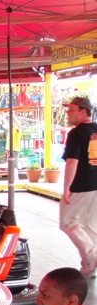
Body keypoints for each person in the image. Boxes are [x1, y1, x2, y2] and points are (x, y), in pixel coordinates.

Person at [60, 96, 97, 277]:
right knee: (89, 226)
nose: (68, 113)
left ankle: (90, 255)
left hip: (82, 184)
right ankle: (89, 265)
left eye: (72, 109)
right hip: (95, 184)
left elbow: (72, 162)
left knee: (68, 222)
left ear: (84, 111)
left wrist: (67, 186)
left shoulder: (76, 133)